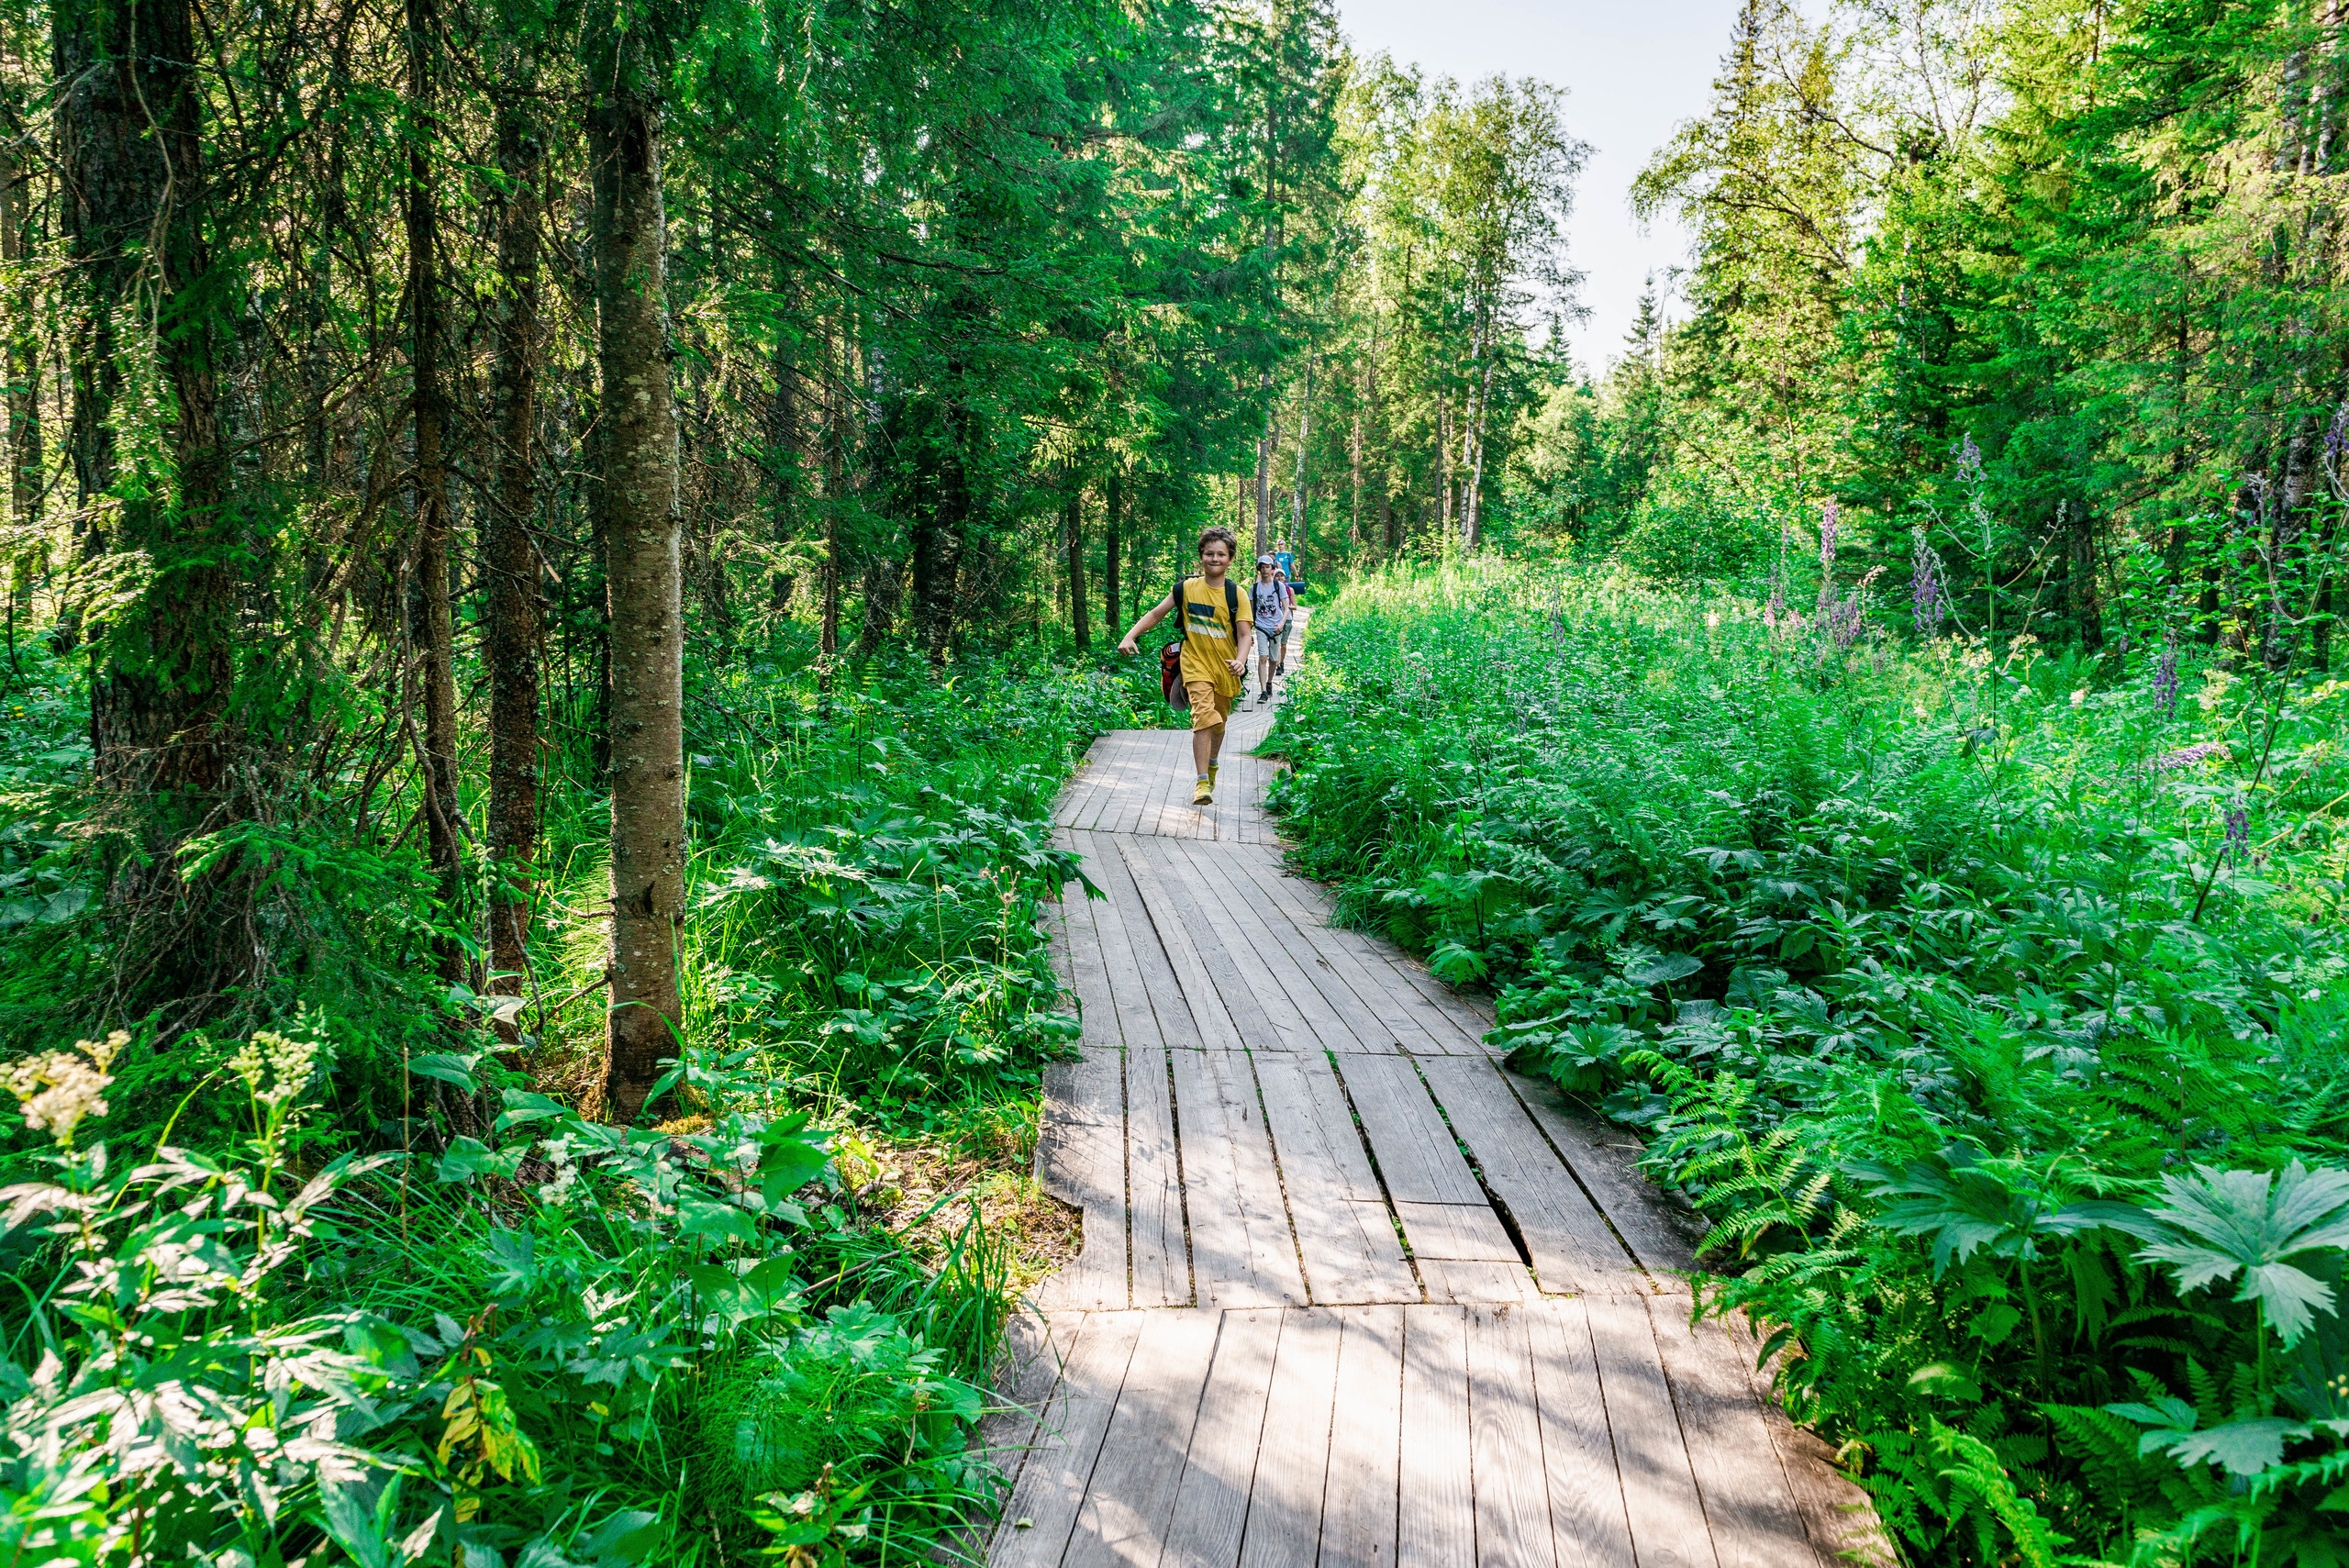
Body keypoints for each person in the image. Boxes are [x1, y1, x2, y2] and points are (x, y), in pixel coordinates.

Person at [1117, 527, 1249, 805]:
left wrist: (1240, 660)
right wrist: (1130, 634)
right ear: (1201, 556)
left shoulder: (1237, 594)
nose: (1215, 559)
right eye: (1209, 553)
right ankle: (1202, 783)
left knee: (1219, 724)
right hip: (1194, 664)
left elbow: (1245, 635)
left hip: (1225, 667)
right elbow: (1156, 613)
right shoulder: (1185, 589)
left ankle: (1212, 764)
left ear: (1230, 559)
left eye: (1221, 554)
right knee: (1203, 716)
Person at [1249, 554, 1291, 703]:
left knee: (1274, 660)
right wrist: (1249, 632)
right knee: (1262, 658)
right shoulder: (1254, 588)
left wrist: (1281, 624)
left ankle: (1269, 682)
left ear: (1272, 569)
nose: (1265, 570)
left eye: (1267, 567)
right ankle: (1263, 692)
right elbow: (1250, 611)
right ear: (1259, 569)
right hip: (1260, 626)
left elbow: (1286, 609)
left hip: (1275, 627)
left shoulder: (1278, 586)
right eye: (1262, 567)